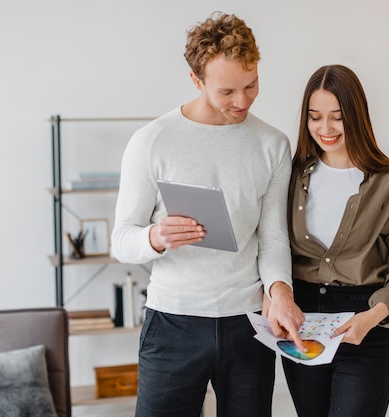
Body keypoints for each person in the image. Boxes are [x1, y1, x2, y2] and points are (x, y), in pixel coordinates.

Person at [111, 12, 305, 417]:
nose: (242, 101)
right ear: (196, 81)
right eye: (227, 91)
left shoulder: (272, 144)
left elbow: (272, 239)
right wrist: (156, 237)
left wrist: (280, 291)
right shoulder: (152, 142)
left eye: (251, 85)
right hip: (173, 322)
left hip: (248, 323)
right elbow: (122, 240)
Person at [282, 64, 389, 417]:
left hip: (365, 321)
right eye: (315, 117)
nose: (324, 129)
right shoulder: (291, 175)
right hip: (304, 321)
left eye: (337, 117)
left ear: (356, 117)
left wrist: (372, 316)